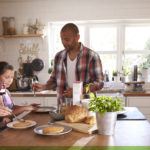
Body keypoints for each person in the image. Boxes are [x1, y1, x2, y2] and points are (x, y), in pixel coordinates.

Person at [33, 23, 104, 104]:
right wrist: (43, 87)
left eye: (67, 39)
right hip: (64, 106)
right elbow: (54, 81)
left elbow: (99, 83)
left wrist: (78, 91)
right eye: (62, 39)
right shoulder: (58, 57)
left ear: (77, 37)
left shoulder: (91, 56)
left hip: (86, 107)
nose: (63, 42)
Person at [0, 61, 38, 129]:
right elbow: (7, 114)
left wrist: (27, 106)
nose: (10, 80)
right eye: (7, 77)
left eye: (12, 77)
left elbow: (12, 107)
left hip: (8, 128)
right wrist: (24, 108)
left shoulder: (6, 91)